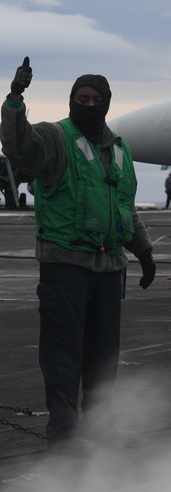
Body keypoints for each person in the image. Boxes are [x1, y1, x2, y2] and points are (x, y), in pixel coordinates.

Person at [0, 57, 156, 453]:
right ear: (71, 101)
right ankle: (65, 434)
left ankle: (101, 425)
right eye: (80, 98)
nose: (88, 104)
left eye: (95, 98)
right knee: (63, 353)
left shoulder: (120, 150)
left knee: (104, 355)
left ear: (106, 102)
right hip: (65, 266)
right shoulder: (55, 138)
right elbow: (20, 147)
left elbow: (125, 205)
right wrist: (15, 100)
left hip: (108, 269)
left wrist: (143, 248)